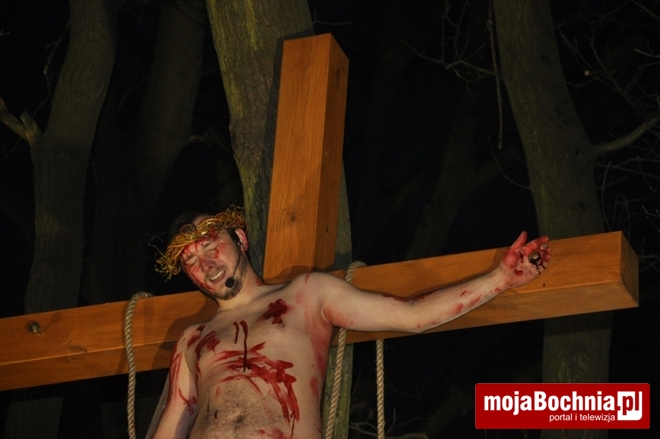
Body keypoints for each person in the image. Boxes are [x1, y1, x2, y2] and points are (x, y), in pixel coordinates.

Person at [151, 206, 550, 439]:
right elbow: (173, 421)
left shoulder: (306, 294)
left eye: (211, 246)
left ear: (240, 239)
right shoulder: (193, 339)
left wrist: (499, 279)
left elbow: (413, 315)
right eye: (191, 261)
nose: (206, 263)